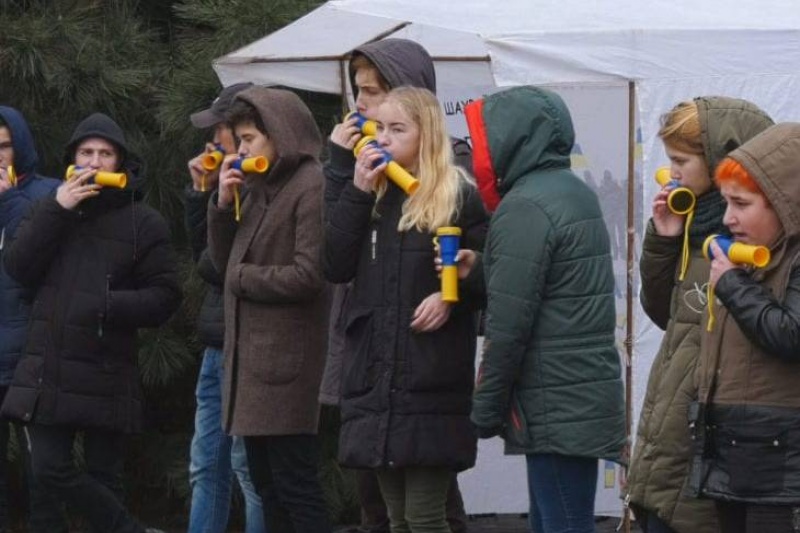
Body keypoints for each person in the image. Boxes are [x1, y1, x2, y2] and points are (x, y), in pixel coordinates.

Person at [0, 112, 182, 533]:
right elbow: (18, 266)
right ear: (72, 158)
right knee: (47, 469)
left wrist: (108, 305)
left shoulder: (144, 222)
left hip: (107, 367)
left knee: (106, 477)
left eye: (106, 153)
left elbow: (165, 296)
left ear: (120, 162)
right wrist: (58, 210)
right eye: (86, 152)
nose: (95, 162)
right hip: (49, 368)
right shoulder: (50, 208)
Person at [321, 37, 471, 533]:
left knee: (426, 516)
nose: (378, 135)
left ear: (424, 134)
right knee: (393, 518)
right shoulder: (372, 194)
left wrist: (453, 291)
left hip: (427, 377)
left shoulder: (456, 194)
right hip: (375, 377)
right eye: (376, 124)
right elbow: (335, 263)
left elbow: (484, 273)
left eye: (394, 127)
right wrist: (352, 186)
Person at [463, 85, 625, 533]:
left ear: (512, 139)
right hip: (574, 395)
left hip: (554, 401)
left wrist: (485, 409)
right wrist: (479, 268)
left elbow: (508, 325)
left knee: (563, 524)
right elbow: (547, 286)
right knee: (558, 520)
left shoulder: (526, 206)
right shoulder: (572, 191)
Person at [626, 97, 773, 533]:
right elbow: (664, 313)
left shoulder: (751, 240)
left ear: (720, 161)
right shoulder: (694, 222)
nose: (671, 172)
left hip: (703, 444)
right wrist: (666, 238)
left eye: (681, 160)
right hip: (668, 435)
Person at [207, 86, 330, 533]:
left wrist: (243, 279)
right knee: (266, 484)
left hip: (286, 364)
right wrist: (221, 205)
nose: (239, 150)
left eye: (248, 139)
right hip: (254, 365)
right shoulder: (261, 185)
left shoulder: (310, 185)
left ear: (279, 134)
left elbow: (308, 275)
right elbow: (223, 262)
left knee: (294, 483)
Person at [690, 123, 800, 532]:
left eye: (741, 203)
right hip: (737, 454)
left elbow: (792, 334)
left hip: (778, 465)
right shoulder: (750, 258)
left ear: (784, 202)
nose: (728, 218)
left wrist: (734, 286)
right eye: (725, 203)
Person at [184, 83, 266, 533]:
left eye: (223, 135)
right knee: (206, 464)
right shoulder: (226, 185)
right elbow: (203, 255)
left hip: (251, 344)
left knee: (248, 469)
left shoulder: (266, 186)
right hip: (218, 341)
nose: (213, 146)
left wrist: (221, 197)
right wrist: (202, 194)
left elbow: (218, 265)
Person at [0, 106, 66, 533]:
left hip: (29, 354)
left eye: (4, 145)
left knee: (42, 469)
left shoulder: (49, 194)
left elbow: (42, 262)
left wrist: (8, 200)